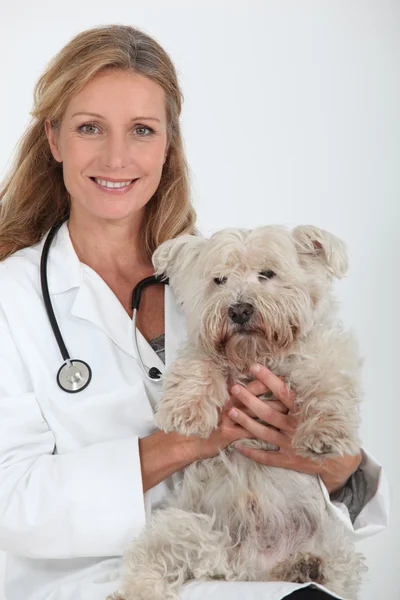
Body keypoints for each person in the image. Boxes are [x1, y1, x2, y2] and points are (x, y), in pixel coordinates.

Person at [0, 24, 389, 600]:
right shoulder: (12, 298)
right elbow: (14, 503)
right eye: (89, 128)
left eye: (141, 130)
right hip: (94, 583)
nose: (116, 156)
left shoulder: (215, 272)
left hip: (262, 570)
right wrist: (188, 441)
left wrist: (331, 463)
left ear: (168, 145)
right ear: (54, 139)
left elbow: (335, 466)